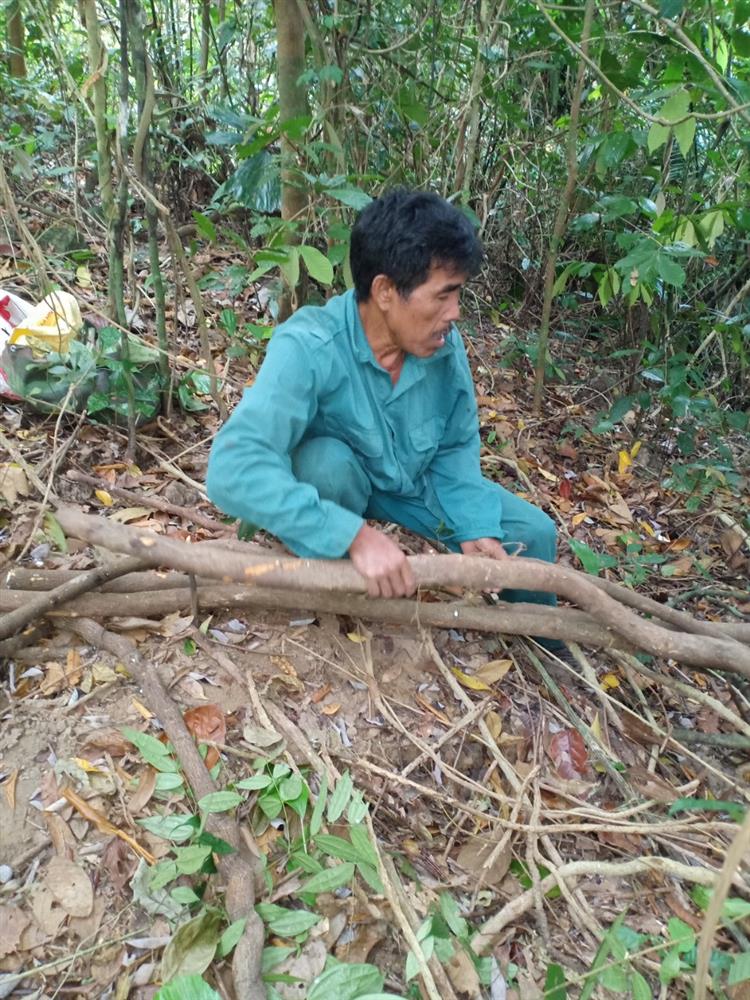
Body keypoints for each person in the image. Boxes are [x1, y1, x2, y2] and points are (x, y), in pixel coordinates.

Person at [206, 188, 557, 609]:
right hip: (338, 487)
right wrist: (351, 535)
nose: (455, 312)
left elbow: (455, 444)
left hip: (415, 481)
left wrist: (475, 526)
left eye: (458, 294)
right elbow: (232, 467)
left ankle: (538, 636)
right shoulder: (310, 345)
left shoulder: (443, 345)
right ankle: (338, 589)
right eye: (443, 295)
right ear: (386, 291)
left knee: (534, 534)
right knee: (325, 466)